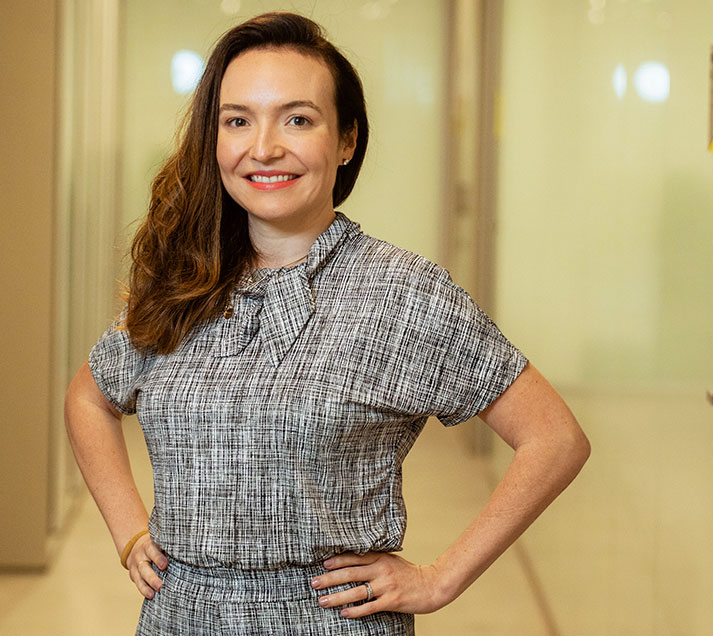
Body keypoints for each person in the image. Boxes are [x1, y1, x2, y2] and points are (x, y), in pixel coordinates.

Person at [64, 11, 590, 636]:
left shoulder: (404, 294)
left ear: (346, 141)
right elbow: (88, 398)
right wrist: (129, 530)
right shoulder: (183, 281)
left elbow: (555, 439)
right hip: (179, 619)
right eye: (238, 121)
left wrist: (441, 576)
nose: (264, 148)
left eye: (298, 119)